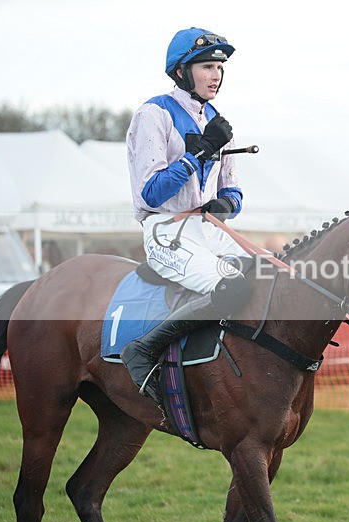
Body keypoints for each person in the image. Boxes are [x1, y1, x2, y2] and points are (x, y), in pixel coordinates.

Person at [121, 27, 253, 403]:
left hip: (208, 229)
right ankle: (143, 350)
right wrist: (200, 153)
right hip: (165, 229)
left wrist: (226, 205)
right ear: (181, 71)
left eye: (220, 67)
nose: (216, 75)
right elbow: (151, 192)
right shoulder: (153, 113)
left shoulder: (218, 118)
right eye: (207, 66)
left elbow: (232, 188)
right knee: (232, 288)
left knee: (267, 279)